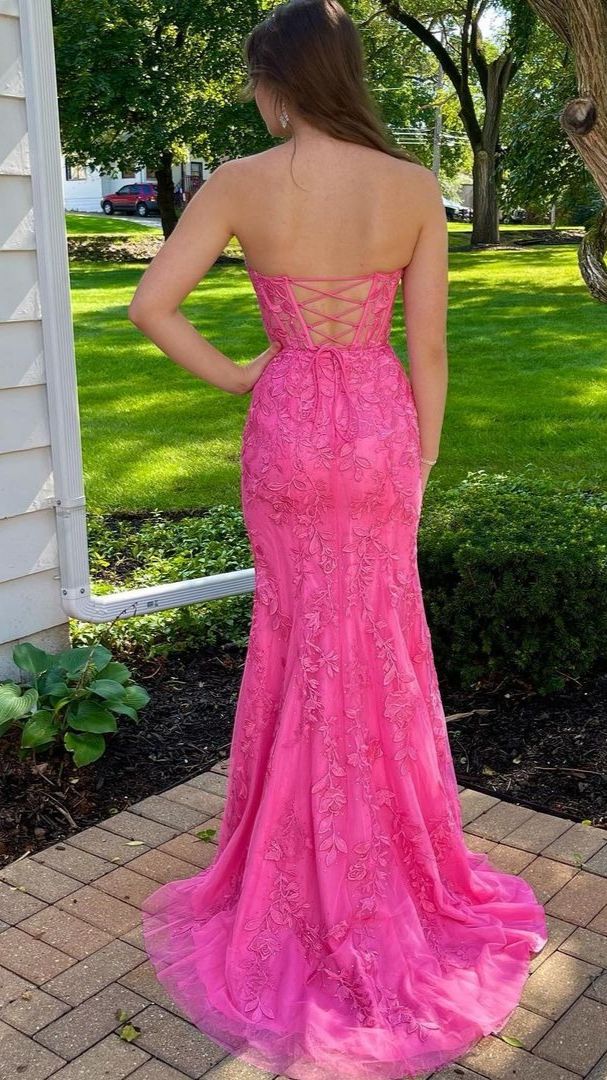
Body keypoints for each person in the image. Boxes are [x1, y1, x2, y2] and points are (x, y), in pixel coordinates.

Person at [128, 1, 549, 1077]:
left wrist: (237, 375)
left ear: (276, 81)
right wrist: (421, 457)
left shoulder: (238, 182)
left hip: (286, 431)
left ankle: (292, 860)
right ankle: (385, 859)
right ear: (348, 72)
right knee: (377, 640)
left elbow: (151, 307)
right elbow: (430, 349)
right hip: (375, 430)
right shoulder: (410, 187)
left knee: (297, 634)